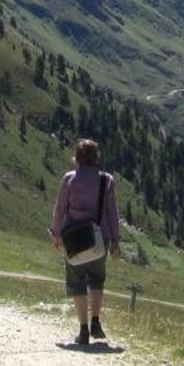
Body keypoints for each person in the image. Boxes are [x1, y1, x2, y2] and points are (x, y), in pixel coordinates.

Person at [49, 139, 122, 347]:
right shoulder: (106, 180)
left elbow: (60, 209)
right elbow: (112, 213)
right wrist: (115, 241)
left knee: (76, 282)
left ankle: (82, 330)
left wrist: (56, 234)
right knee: (97, 280)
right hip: (100, 239)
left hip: (74, 240)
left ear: (77, 158)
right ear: (96, 157)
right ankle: (96, 321)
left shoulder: (69, 179)